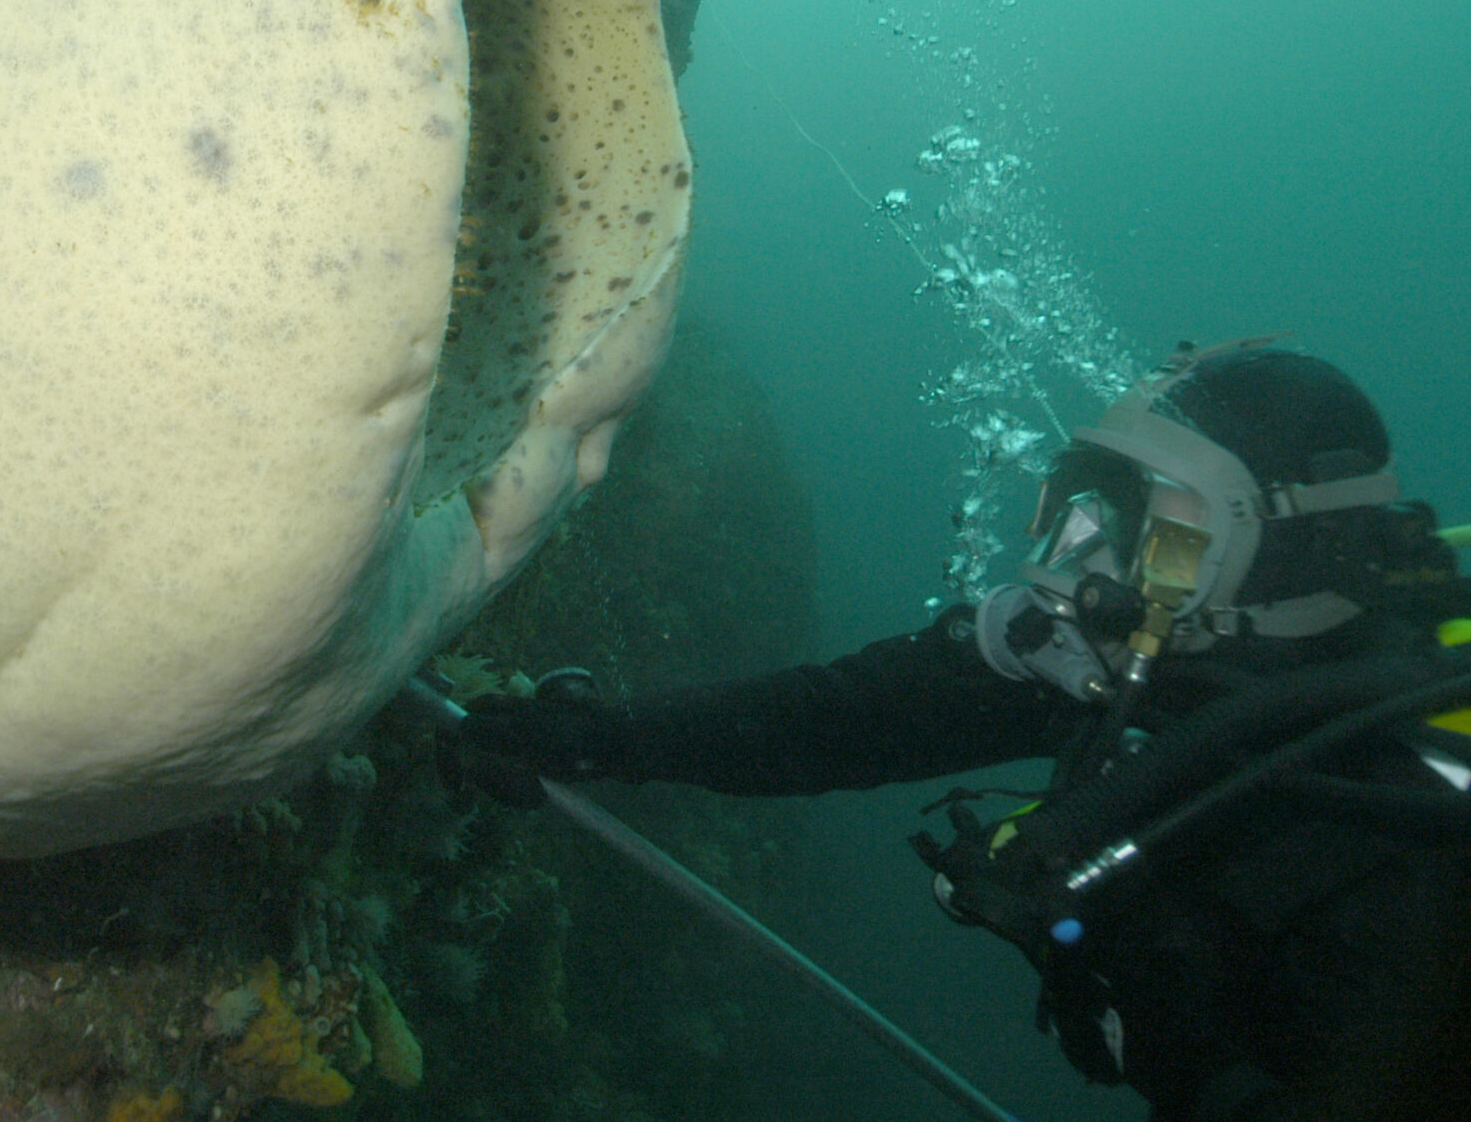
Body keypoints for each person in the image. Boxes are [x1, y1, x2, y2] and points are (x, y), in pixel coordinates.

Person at [457, 339, 1471, 1122]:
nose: (1090, 563)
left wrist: (1170, 1001)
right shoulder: (1133, 662)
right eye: (1090, 510)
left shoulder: (1402, 807)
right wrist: (607, 739)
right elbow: (846, 720)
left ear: (1282, 549)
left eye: (1155, 527)